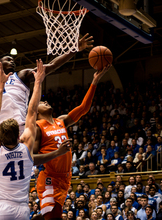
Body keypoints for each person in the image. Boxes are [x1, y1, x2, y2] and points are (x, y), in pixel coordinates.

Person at [0, 34, 93, 135]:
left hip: (22, 127)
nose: (12, 60)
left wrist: (74, 50)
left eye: (12, 59)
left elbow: (51, 66)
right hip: (1, 131)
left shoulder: (22, 75)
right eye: (7, 59)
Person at [0, 60, 70, 219]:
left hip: (1, 207)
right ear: (19, 136)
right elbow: (31, 112)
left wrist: (1, 86)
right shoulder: (25, 149)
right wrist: (38, 82)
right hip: (21, 209)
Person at [34, 65, 111, 220]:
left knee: (51, 216)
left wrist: (95, 81)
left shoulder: (61, 121)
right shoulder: (37, 127)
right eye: (42, 102)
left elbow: (83, 108)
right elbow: (32, 158)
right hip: (50, 179)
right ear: (36, 111)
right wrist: (58, 153)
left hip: (65, 178)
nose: (46, 101)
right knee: (52, 217)